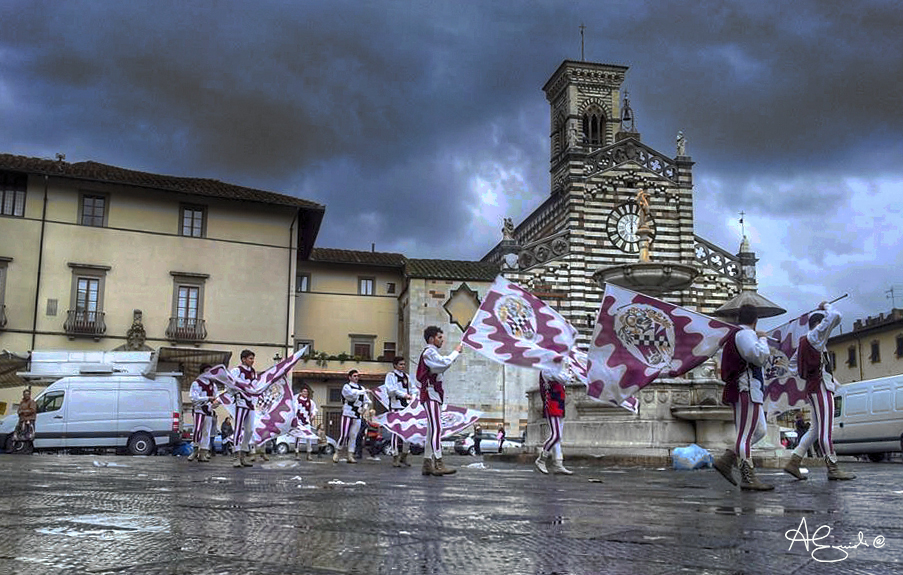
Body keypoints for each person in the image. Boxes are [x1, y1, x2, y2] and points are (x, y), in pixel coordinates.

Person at [784, 302, 855, 481]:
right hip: (821, 387)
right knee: (825, 430)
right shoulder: (816, 336)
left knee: (815, 429)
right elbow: (835, 316)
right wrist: (826, 306)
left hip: (814, 386)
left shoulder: (806, 342)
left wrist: (807, 375)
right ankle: (832, 467)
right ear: (819, 325)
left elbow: (792, 366)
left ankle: (794, 461)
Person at [714, 304, 773, 490]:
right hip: (746, 388)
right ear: (755, 321)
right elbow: (758, 356)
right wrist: (763, 339)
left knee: (760, 431)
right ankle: (748, 477)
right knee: (746, 434)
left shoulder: (740, 334)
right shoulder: (746, 334)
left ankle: (727, 459)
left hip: (750, 388)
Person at [416, 325, 463, 476]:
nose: (442, 340)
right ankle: (438, 462)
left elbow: (441, 365)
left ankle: (427, 463)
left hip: (433, 394)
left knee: (431, 430)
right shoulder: (429, 352)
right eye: (439, 337)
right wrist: (456, 352)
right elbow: (442, 364)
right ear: (431, 339)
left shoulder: (431, 352)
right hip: (431, 394)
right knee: (437, 428)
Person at [535, 366, 573, 475]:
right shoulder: (547, 369)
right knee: (556, 435)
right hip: (552, 404)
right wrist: (570, 373)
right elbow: (564, 379)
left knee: (558, 437)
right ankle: (541, 459)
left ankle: (558, 463)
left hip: (559, 403)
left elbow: (566, 380)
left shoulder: (556, 369)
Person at [334, 369, 371, 464]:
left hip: (357, 415)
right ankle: (337, 452)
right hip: (347, 413)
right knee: (344, 435)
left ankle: (350, 455)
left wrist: (365, 408)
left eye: (357, 376)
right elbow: (350, 394)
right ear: (350, 377)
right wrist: (362, 392)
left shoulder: (361, 388)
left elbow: (367, 400)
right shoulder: (347, 386)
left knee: (353, 436)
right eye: (354, 376)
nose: (356, 377)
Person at [229, 349, 257, 468]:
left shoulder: (253, 372)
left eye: (253, 358)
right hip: (241, 402)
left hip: (250, 402)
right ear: (243, 359)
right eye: (250, 358)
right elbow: (231, 383)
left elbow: (254, 386)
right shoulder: (236, 370)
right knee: (238, 428)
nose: (252, 361)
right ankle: (236, 455)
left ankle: (243, 454)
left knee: (249, 430)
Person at [384, 356, 414, 467]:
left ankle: (404, 455)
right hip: (395, 407)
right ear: (395, 365)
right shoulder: (391, 376)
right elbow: (391, 389)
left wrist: (414, 396)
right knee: (395, 433)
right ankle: (395, 457)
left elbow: (413, 389)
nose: (403, 366)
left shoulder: (407, 376)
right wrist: (404, 395)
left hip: (406, 408)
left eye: (404, 364)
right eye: (400, 364)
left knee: (408, 432)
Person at [187, 364, 219, 462]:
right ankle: (195, 450)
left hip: (208, 411)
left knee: (206, 432)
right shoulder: (196, 383)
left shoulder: (213, 385)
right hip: (199, 410)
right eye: (207, 370)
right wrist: (208, 398)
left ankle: (203, 453)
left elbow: (216, 397)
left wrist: (216, 402)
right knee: (197, 430)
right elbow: (194, 398)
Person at [294, 387, 318, 460]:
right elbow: (294, 411)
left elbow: (314, 409)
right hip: (299, 423)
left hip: (307, 422)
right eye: (304, 391)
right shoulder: (297, 401)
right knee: (297, 438)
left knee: (309, 438)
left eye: (306, 392)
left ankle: (309, 454)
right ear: (301, 393)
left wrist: (313, 414)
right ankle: (297, 454)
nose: (305, 393)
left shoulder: (310, 401)